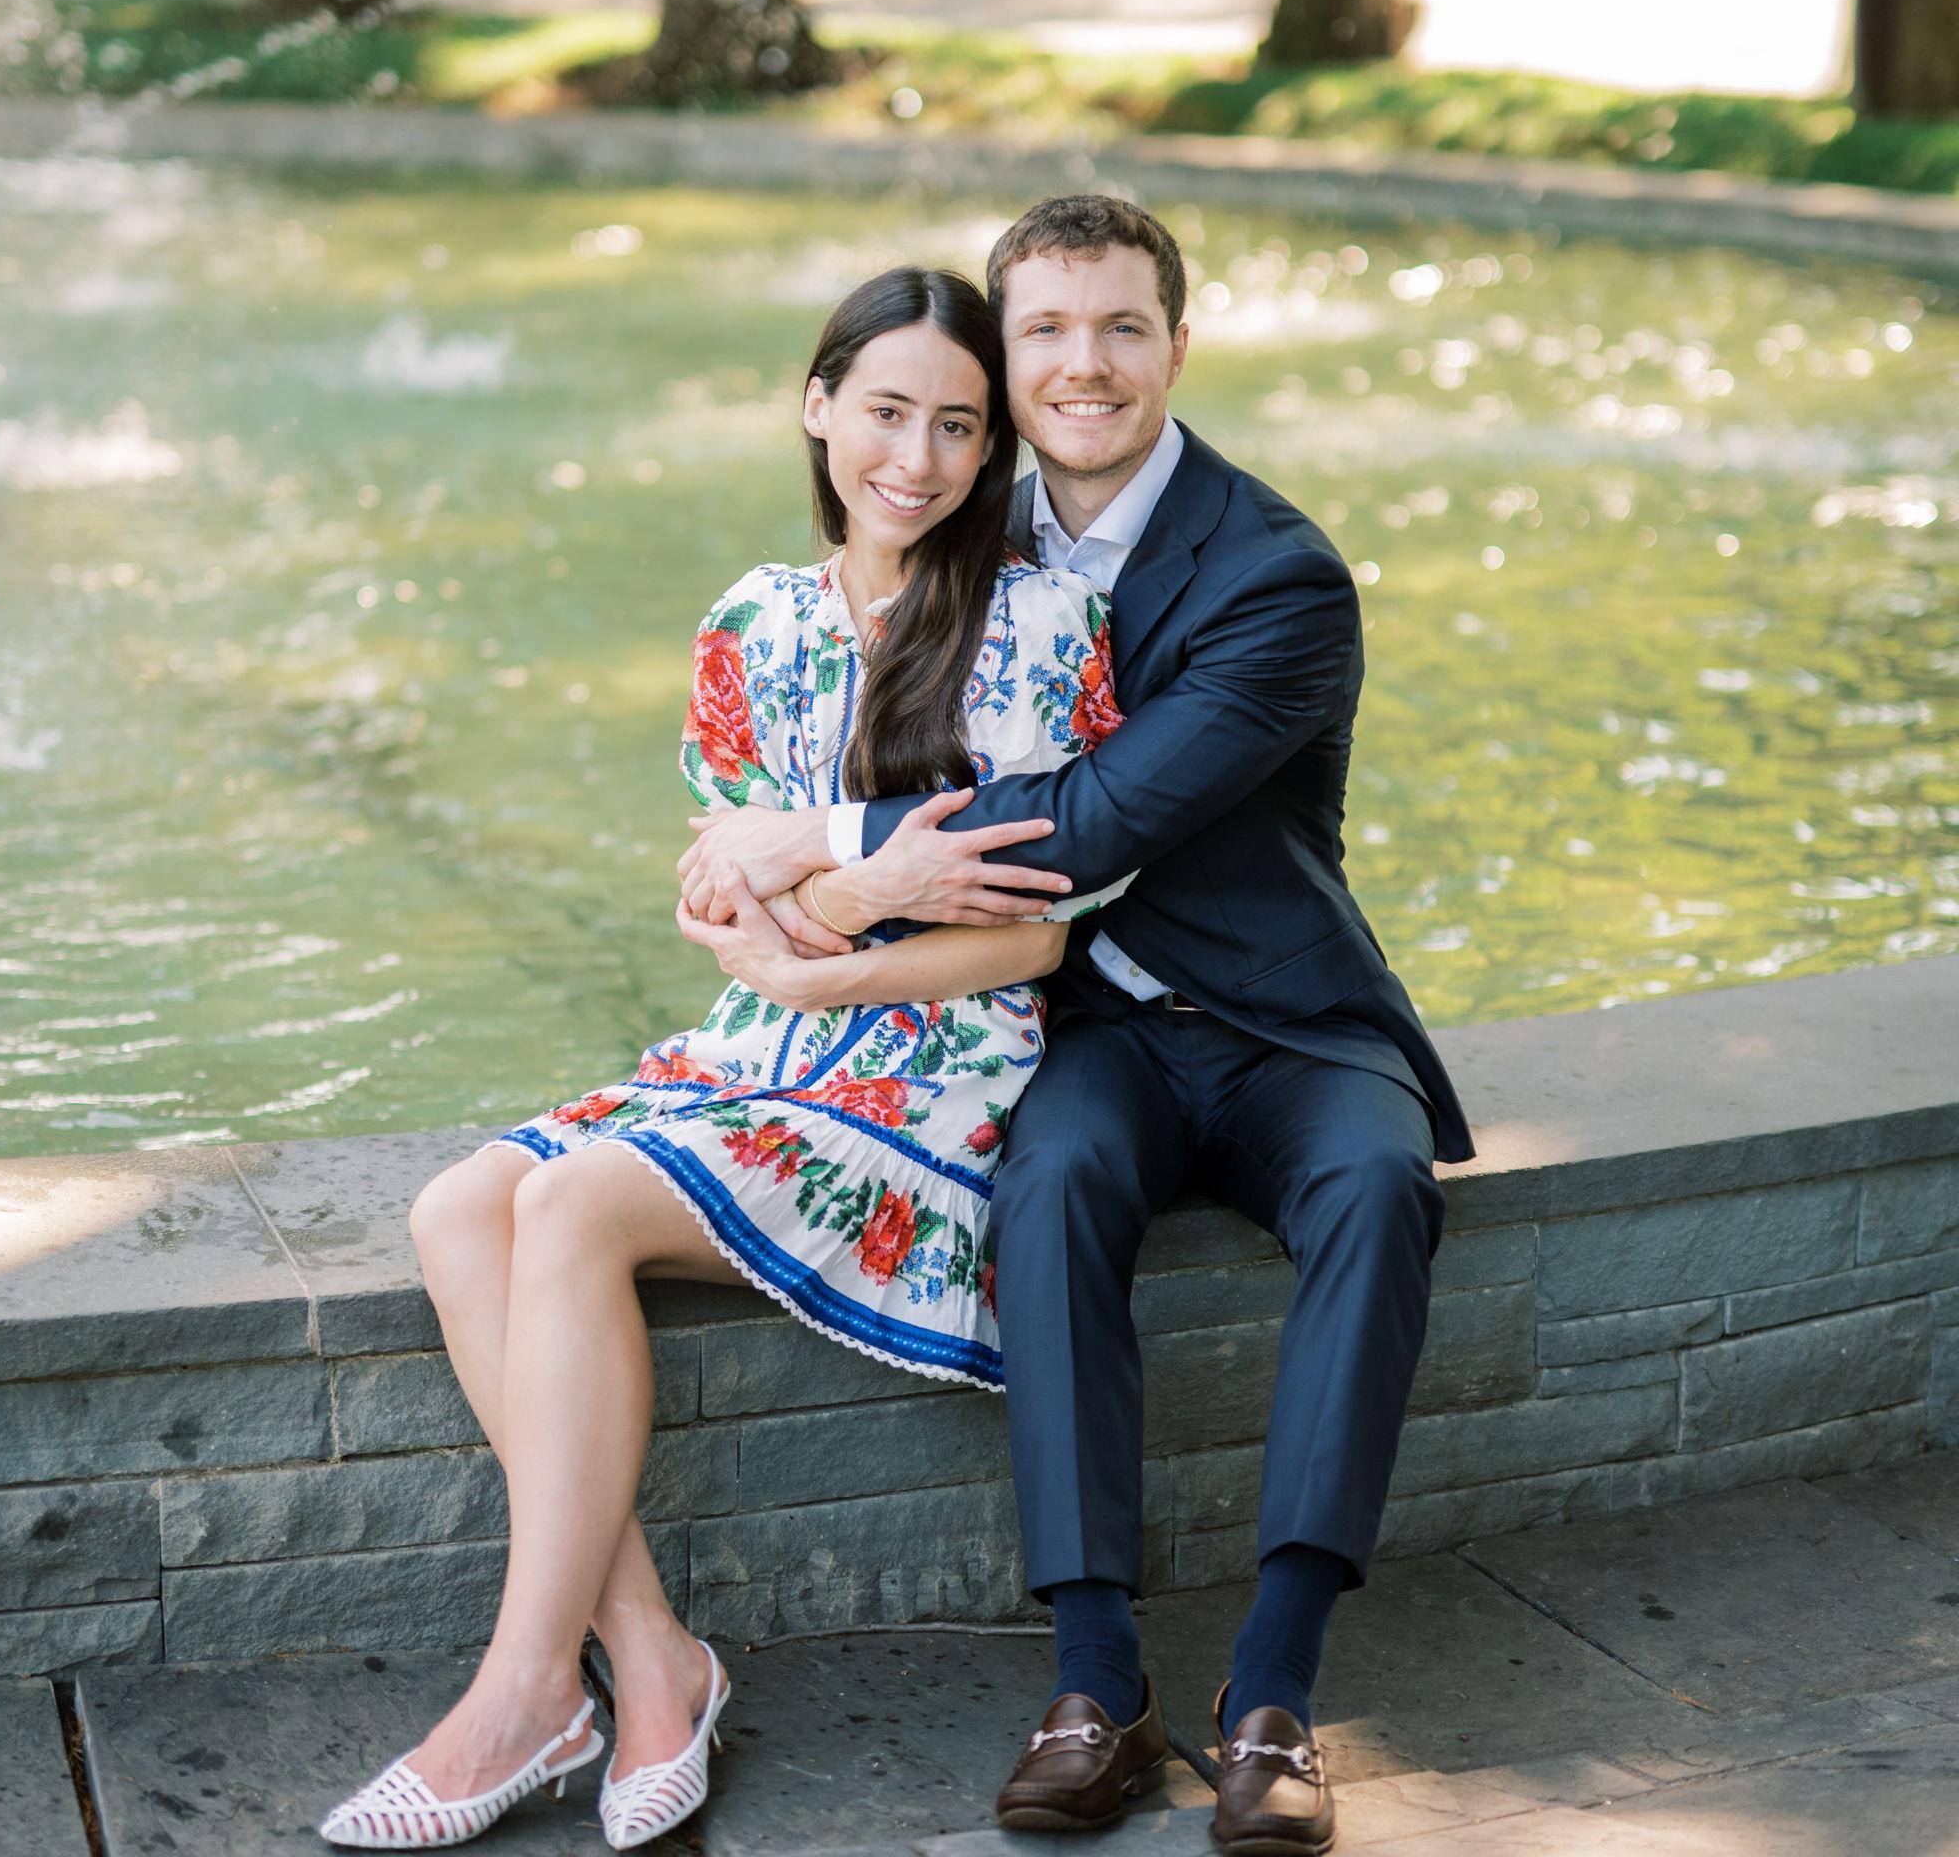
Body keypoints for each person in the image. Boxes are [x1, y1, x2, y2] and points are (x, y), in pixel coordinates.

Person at [678, 196, 1479, 1854]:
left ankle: (1275, 1687)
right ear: (1004, 354)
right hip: (1083, 1022)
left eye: (1121, 326)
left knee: (1376, 1190)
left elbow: (1099, 816)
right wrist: (754, 879)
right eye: (1043, 329)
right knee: (1046, 1190)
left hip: (1287, 1021)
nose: (1083, 364)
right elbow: (820, 691)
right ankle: (1096, 1683)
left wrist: (820, 850)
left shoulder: (1275, 574)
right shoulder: (963, 514)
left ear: (1178, 346)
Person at [316, 264, 1128, 1853]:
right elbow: (715, 898)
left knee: (567, 1205)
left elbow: (1036, 936)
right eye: (885, 411)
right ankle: (648, 1661)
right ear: (817, 405)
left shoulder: (1038, 622)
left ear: (991, 447)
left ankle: (522, 1691)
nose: (916, 457)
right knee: (453, 1211)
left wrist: (831, 922)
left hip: (938, 1070)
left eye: (958, 425)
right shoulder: (753, 621)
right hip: (757, 1040)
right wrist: (868, 885)